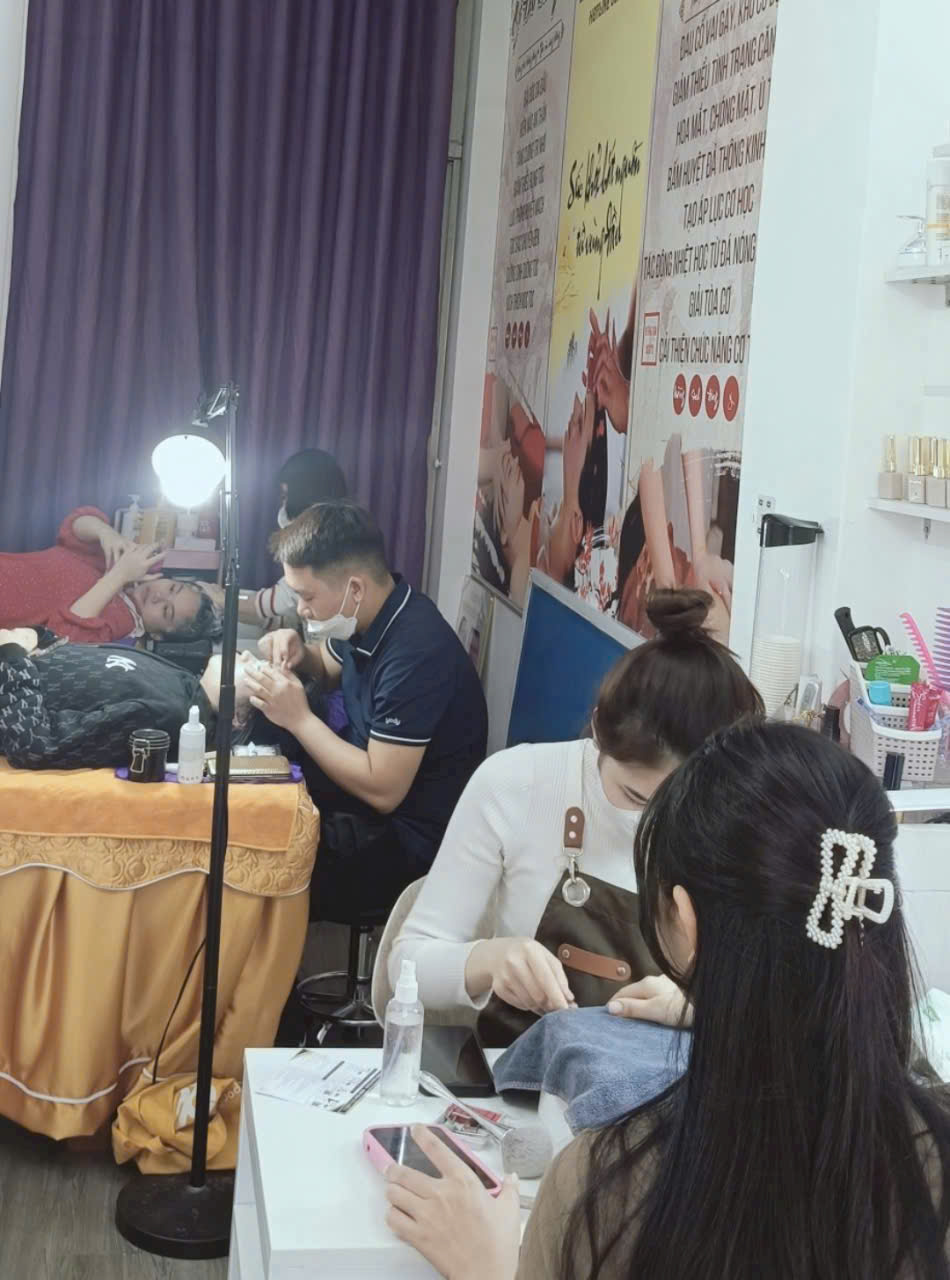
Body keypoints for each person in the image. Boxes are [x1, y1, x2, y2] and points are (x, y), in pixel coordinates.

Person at [382, 722, 950, 1279]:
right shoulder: (928, 1163)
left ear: (686, 920)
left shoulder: (603, 1193)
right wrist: (725, 1012)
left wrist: (486, 1269)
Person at [390, 588, 764, 1047]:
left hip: (669, 1082)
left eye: (683, 804)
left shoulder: (741, 817)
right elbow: (407, 964)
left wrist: (702, 1006)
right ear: (599, 729)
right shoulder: (516, 783)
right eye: (635, 795)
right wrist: (491, 960)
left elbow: (784, 1003)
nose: (656, 823)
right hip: (524, 1073)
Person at [245, 501, 488, 918]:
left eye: (306, 596)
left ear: (354, 589)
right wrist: (300, 651)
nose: (300, 609)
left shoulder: (415, 653)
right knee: (257, 791)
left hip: (408, 840)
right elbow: (329, 665)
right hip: (365, 791)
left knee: (259, 860)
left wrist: (299, 718)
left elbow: (383, 790)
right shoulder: (372, 614)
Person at [0, 627, 259, 769]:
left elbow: (35, 744)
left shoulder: (166, 716)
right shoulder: (182, 683)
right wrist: (40, 638)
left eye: (259, 668)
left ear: (239, 718)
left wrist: (12, 655)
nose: (247, 655)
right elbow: (78, 678)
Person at [0, 506, 219, 644]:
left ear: (157, 635)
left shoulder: (118, 626)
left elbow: (61, 636)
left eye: (166, 610)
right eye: (172, 588)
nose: (159, 597)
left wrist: (119, 575)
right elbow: (74, 525)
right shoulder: (122, 563)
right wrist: (107, 534)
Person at [237, 448, 348, 629]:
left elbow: (282, 600)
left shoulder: (322, 540)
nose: (284, 505)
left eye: (286, 496)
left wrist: (219, 598)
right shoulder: (336, 530)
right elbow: (294, 616)